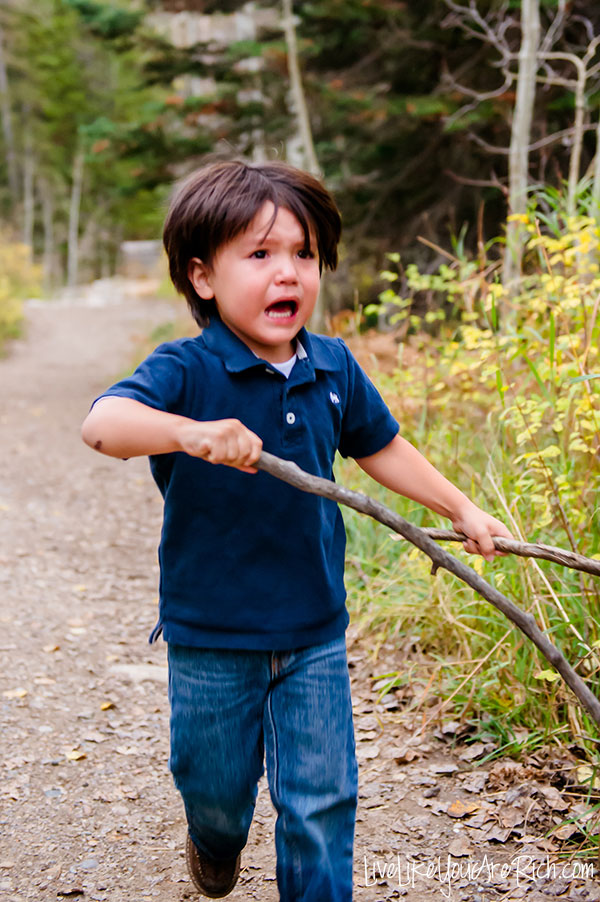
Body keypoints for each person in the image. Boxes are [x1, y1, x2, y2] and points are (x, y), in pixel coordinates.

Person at [81, 159, 512, 901]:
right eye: (260, 254)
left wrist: (461, 508)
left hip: (314, 628)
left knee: (321, 802)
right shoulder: (186, 369)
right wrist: (188, 433)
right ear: (203, 278)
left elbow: (381, 447)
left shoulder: (332, 366)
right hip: (212, 634)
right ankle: (212, 840)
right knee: (214, 789)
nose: (289, 273)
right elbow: (103, 425)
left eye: (304, 255)